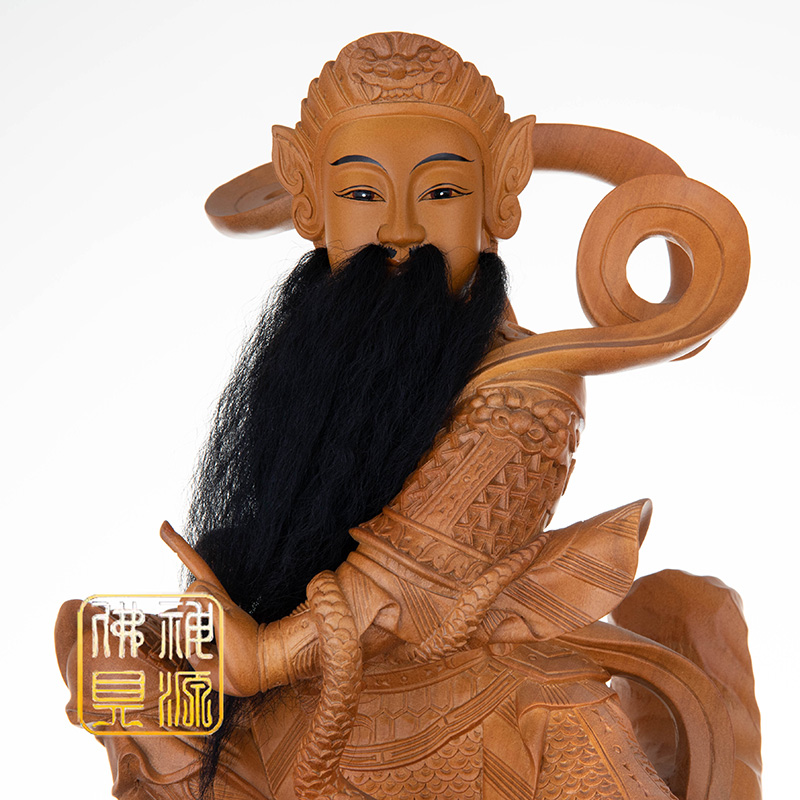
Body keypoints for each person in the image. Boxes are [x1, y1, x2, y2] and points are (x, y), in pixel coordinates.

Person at [56, 32, 759, 800]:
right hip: (294, 652)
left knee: (548, 714)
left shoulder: (530, 390)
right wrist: (218, 603)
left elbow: (405, 577)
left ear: (498, 195)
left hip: (453, 666)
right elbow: (294, 531)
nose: (399, 230)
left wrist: (264, 655)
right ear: (311, 201)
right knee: (95, 641)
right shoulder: (319, 368)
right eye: (362, 196)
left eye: (441, 193)